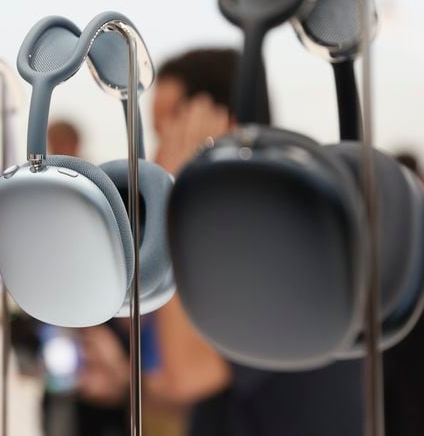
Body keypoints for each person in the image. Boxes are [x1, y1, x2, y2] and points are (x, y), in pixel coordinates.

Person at [77, 48, 365, 436]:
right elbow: (207, 385)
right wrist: (126, 383)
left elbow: (188, 374)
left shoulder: (275, 234)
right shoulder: (240, 233)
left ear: (218, 124)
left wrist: (173, 203)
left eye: (166, 132)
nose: (157, 156)